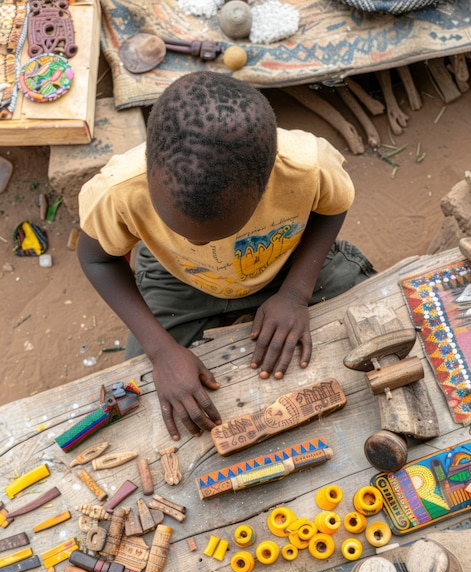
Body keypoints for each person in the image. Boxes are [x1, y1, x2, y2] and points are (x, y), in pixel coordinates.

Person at [77, 71, 375, 441]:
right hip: (179, 278)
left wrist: (296, 292)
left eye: (220, 231)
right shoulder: (118, 190)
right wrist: (161, 351)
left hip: (286, 259)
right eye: (179, 231)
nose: (199, 246)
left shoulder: (306, 167)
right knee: (146, 389)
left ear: (269, 183)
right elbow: (96, 259)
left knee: (372, 312)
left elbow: (333, 207)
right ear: (148, 170)